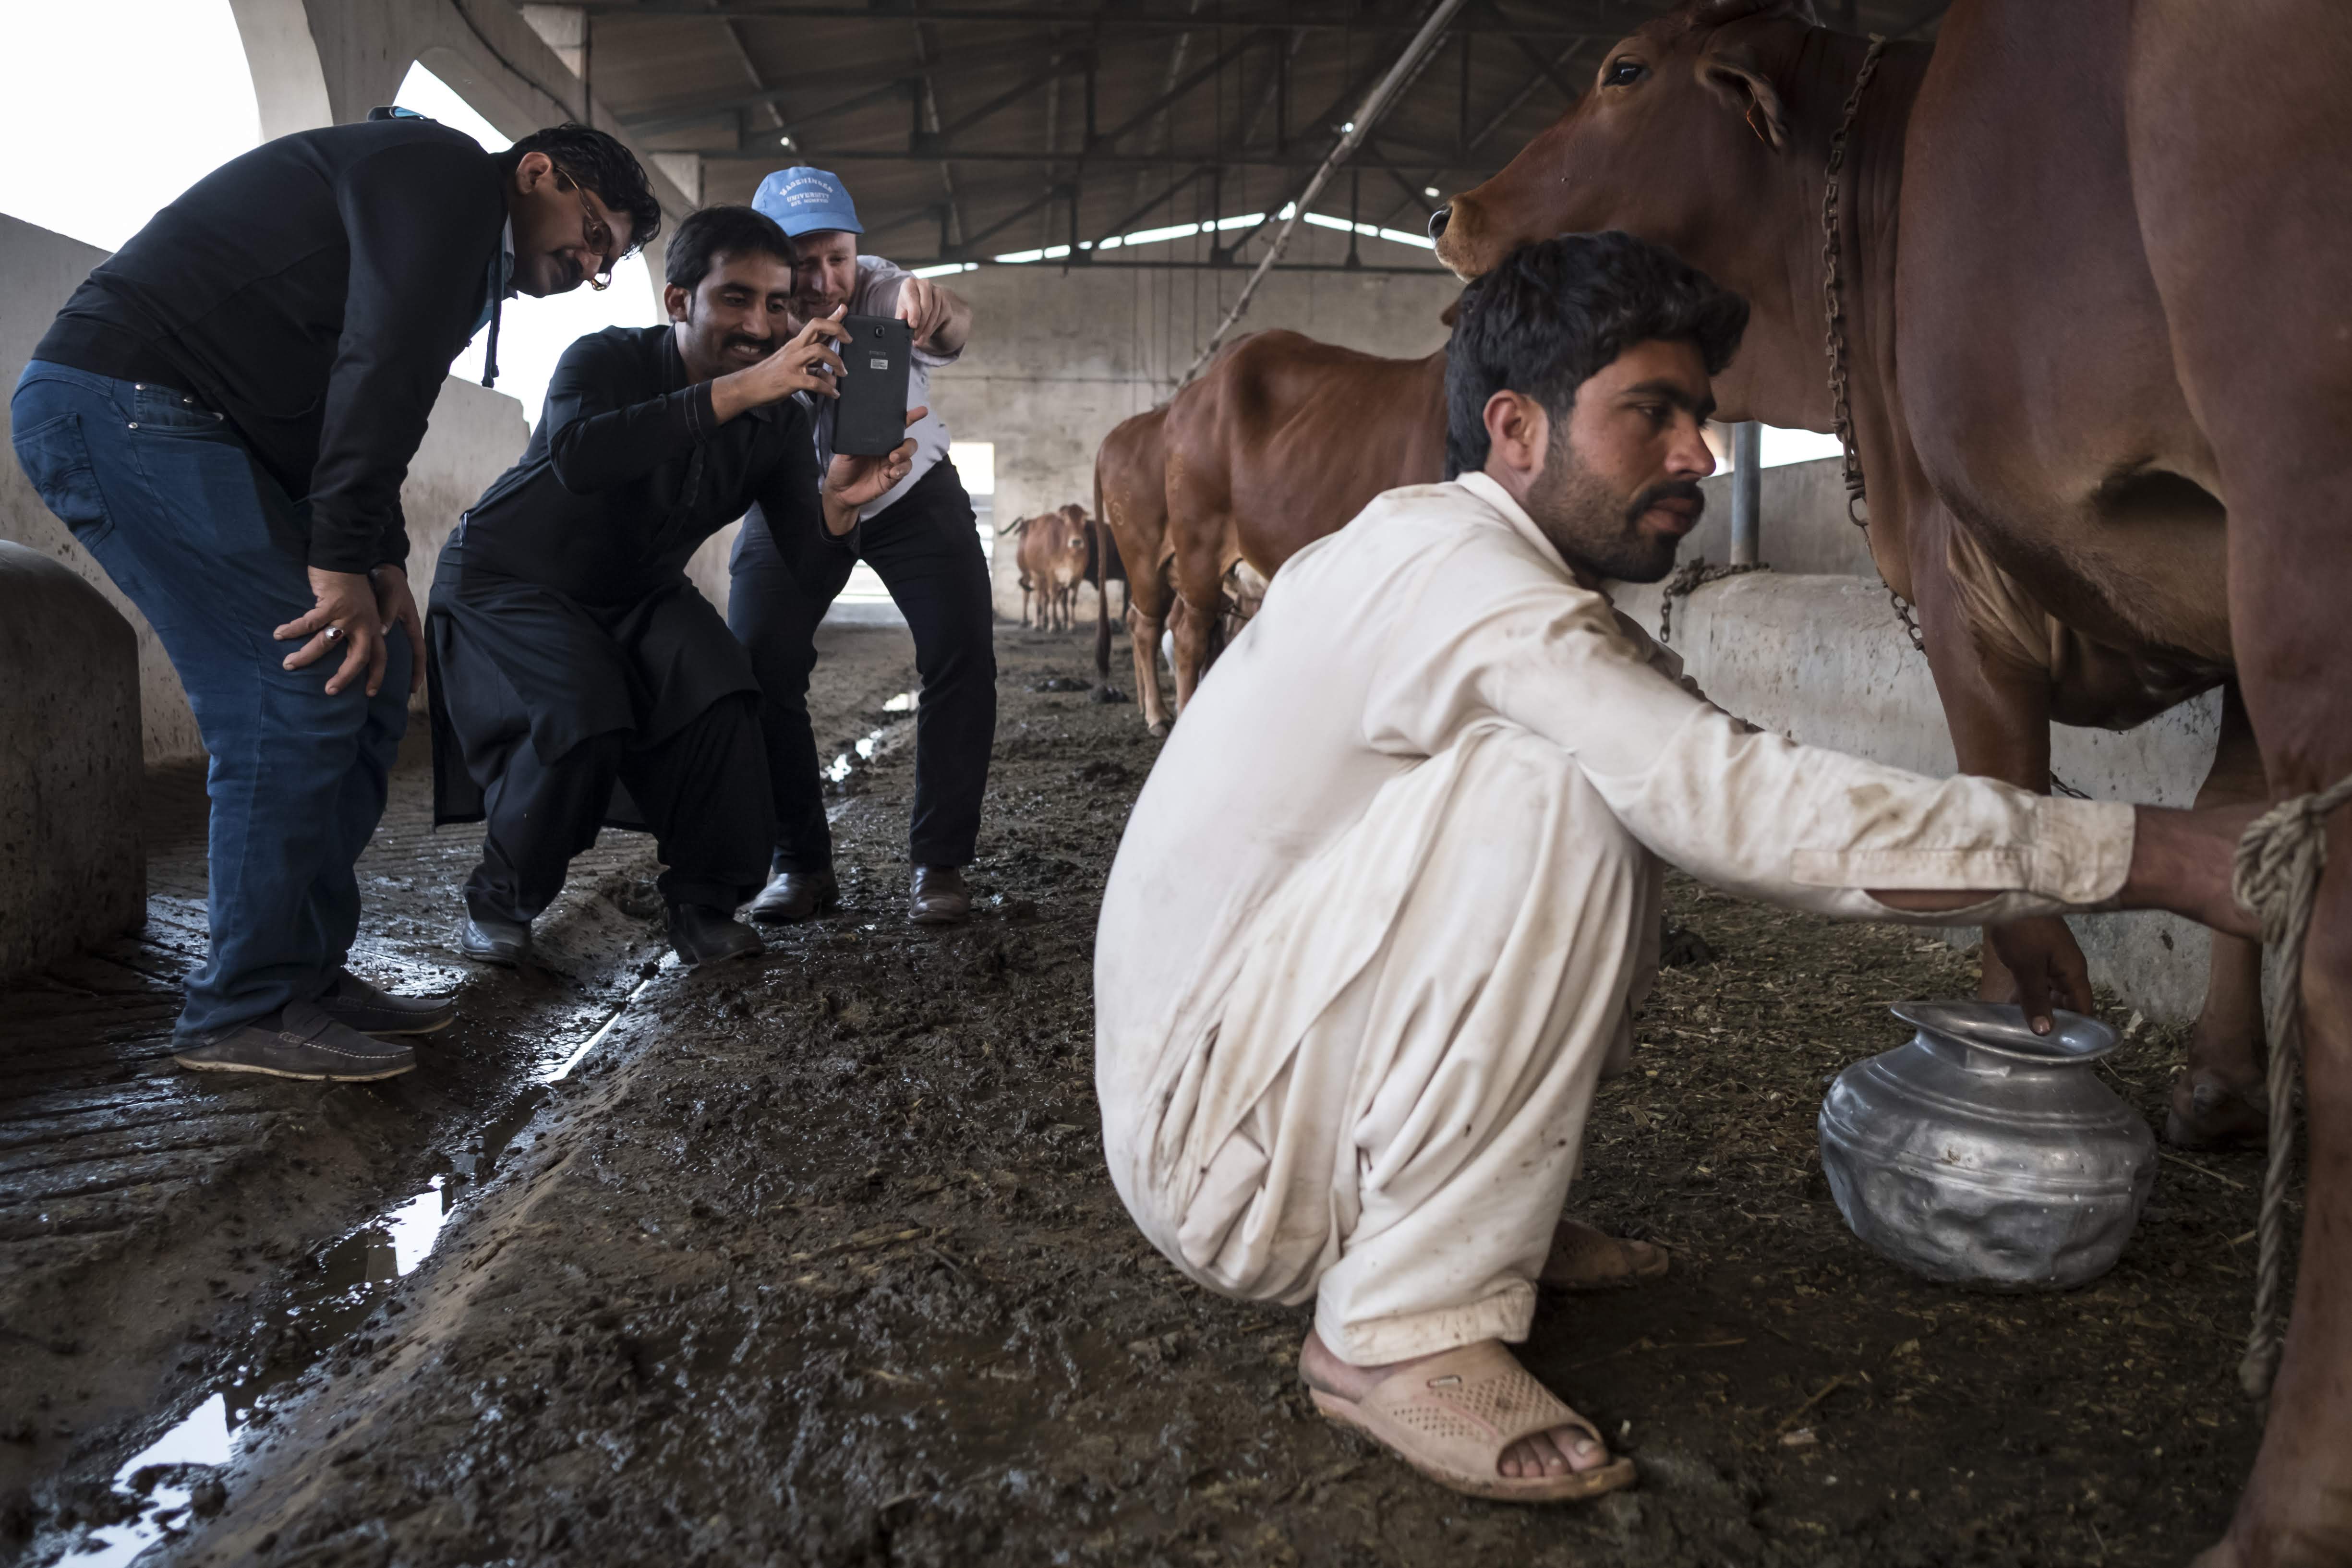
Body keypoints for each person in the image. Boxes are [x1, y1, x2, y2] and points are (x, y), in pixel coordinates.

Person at [1091, 232, 2262, 1502]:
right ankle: (1384, 1336)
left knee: (1621, 772)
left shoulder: (1443, 558)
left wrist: (2018, 894)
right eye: (1648, 413)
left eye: (1697, 418)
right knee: (1557, 793)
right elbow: (1734, 803)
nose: (1697, 453)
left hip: (1241, 1081)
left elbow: (1718, 756)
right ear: (1515, 428)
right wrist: (2143, 852)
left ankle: (1441, 1221)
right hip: (1224, 1161)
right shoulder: (1467, 583)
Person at [10, 113, 662, 1083]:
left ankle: (304, 974)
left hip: (209, 429)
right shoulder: (445, 178)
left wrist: (379, 558)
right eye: (595, 233)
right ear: (540, 173)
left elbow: (354, 392)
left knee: (376, 662)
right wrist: (337, 561)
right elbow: (378, 370)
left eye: (608, 261)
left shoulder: (446, 226)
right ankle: (244, 1006)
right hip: (124, 401)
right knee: (300, 679)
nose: (589, 267)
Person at [428, 205, 920, 969]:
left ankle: (703, 903)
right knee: (583, 711)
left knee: (727, 694)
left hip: (639, 591)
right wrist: (747, 388)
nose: (761, 324)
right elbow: (583, 459)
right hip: (512, 577)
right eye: (737, 298)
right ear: (680, 301)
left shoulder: (778, 422)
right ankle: (502, 899)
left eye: (778, 304)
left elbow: (809, 567)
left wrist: (837, 507)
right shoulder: (604, 360)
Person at [730, 166, 994, 926]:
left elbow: (949, 325)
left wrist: (938, 309)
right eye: (802, 261)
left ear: (858, 252)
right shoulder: (750, 313)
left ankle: (939, 864)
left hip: (910, 491)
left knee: (961, 651)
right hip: (796, 500)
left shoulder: (882, 289)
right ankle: (801, 864)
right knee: (758, 661)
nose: (822, 279)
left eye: (836, 257)